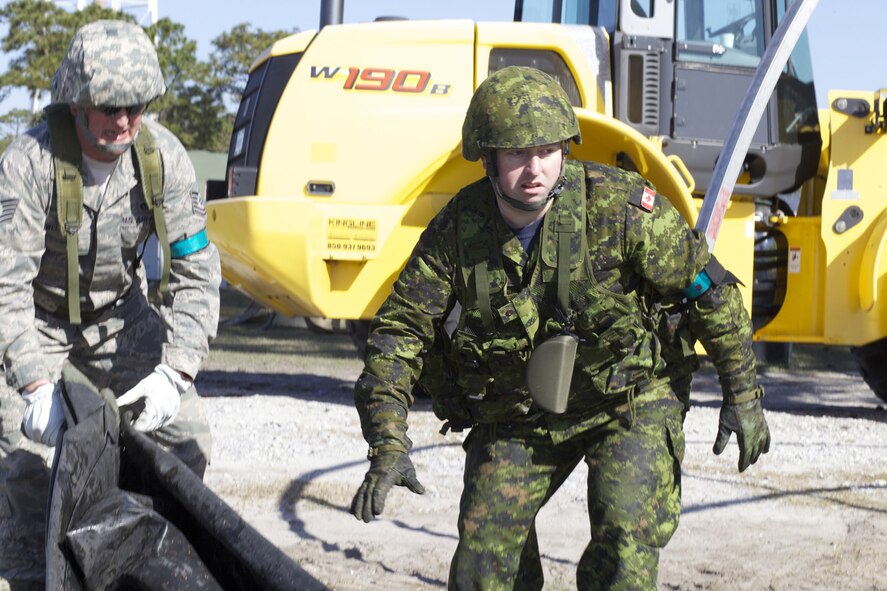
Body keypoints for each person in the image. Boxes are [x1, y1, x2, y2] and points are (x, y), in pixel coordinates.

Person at [350, 66, 770, 590]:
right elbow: (399, 334)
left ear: (565, 150)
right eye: (517, 154)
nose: (534, 169)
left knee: (623, 545)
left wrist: (744, 395)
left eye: (547, 151)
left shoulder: (619, 208)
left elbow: (708, 290)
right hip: (519, 413)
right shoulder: (456, 231)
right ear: (487, 158)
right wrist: (388, 443)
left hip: (628, 399)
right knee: (483, 567)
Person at [0, 20, 220, 590]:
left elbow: (197, 270)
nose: (124, 121)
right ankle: (30, 578)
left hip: (120, 316)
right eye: (109, 107)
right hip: (38, 322)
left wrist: (176, 371)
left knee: (188, 438)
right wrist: (31, 383)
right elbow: (5, 287)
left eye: (136, 106)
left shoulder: (162, 158)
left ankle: (141, 561)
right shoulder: (29, 162)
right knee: (20, 458)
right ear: (77, 102)